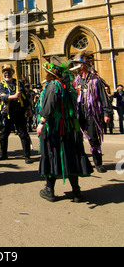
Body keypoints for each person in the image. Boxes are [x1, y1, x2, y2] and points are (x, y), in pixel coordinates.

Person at [36, 58, 93, 202]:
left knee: (51, 154)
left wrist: (42, 122)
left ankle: (49, 190)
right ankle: (76, 192)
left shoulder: (53, 85)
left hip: (56, 129)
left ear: (50, 74)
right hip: (69, 129)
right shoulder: (68, 87)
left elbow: (50, 105)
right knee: (70, 155)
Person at [72, 52, 112, 173]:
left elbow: (103, 97)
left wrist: (106, 113)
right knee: (77, 138)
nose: (76, 66)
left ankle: (98, 162)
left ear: (83, 65)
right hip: (79, 114)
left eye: (77, 64)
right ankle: (81, 162)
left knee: (93, 138)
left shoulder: (95, 80)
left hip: (92, 114)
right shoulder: (76, 81)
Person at [0, 64, 32, 163]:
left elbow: (25, 97)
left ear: (13, 73)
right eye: (5, 72)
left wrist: (29, 109)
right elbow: (2, 97)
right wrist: (14, 96)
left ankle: (27, 156)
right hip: (8, 112)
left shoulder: (19, 84)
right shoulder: (1, 85)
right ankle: (3, 154)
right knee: (3, 134)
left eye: (9, 72)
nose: (7, 74)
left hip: (20, 112)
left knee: (23, 134)